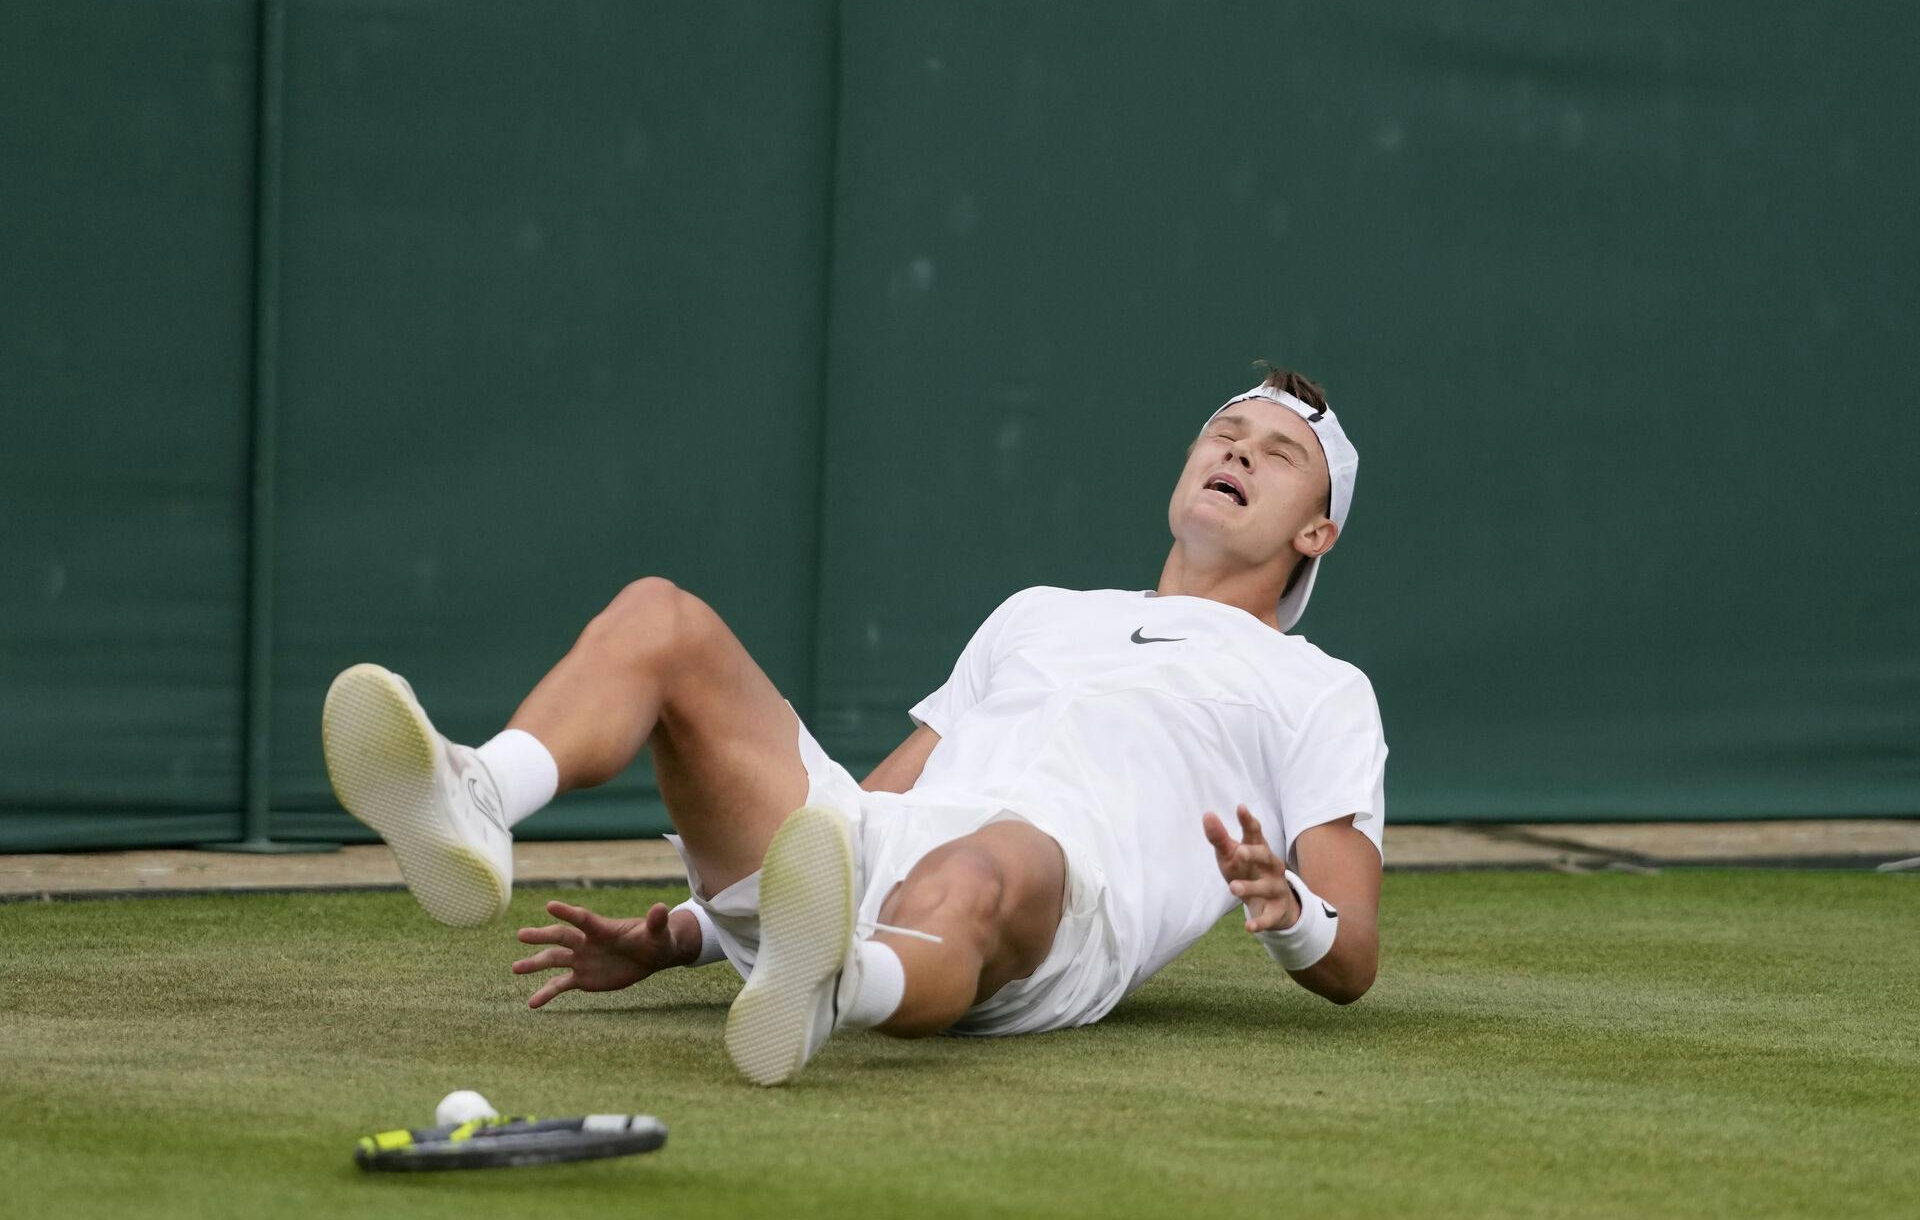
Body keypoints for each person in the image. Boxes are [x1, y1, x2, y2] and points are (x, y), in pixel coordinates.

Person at [322, 365, 1387, 1086]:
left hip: (1057, 895)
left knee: (978, 865)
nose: (1238, 451)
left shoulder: (1320, 686)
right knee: (662, 617)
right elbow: (863, 819)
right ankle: (479, 794)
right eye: (1224, 431)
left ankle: (841, 985)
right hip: (895, 854)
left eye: (1277, 453)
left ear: (1318, 530)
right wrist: (691, 935)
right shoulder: (1042, 612)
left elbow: (1353, 958)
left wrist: (1286, 906)